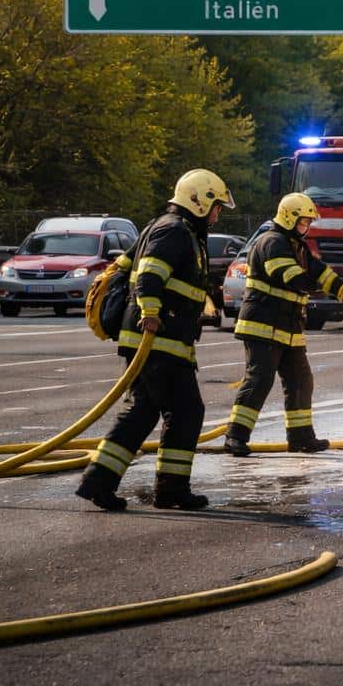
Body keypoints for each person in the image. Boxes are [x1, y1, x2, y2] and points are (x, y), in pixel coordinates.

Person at [76, 169, 235, 512]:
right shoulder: (173, 230)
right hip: (157, 339)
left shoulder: (175, 229)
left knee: (144, 411)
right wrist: (150, 312)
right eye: (216, 206)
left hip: (161, 339)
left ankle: (98, 482)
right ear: (199, 201)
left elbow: (133, 268)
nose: (218, 213)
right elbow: (148, 274)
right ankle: (172, 489)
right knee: (187, 411)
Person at [224, 193, 343, 456]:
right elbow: (292, 278)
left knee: (301, 381)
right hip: (263, 325)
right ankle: (235, 437)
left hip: (287, 328)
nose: (307, 227)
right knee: (259, 381)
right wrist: (320, 291)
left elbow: (321, 273)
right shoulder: (272, 242)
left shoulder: (297, 246)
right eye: (304, 221)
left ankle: (301, 438)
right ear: (290, 218)